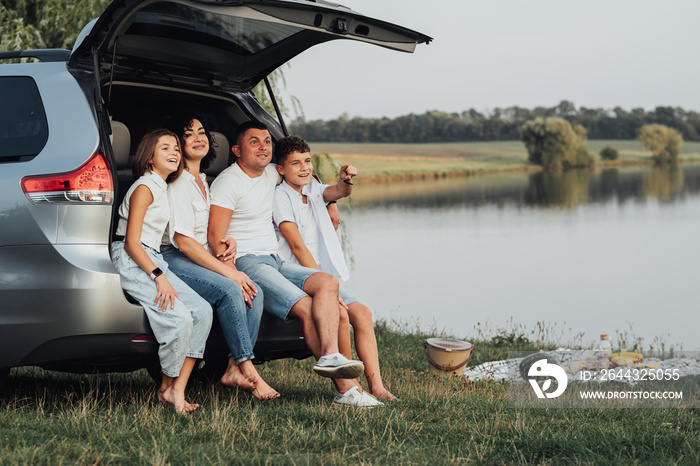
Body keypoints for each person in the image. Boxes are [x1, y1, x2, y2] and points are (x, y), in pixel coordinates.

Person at [208, 121, 382, 407]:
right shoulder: (229, 182)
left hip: (274, 260)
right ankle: (346, 390)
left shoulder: (269, 174)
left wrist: (330, 202)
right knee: (307, 307)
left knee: (328, 282)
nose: (264, 146)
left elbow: (304, 177)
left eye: (267, 141)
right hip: (249, 262)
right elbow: (215, 237)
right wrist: (233, 274)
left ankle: (329, 355)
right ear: (237, 150)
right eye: (254, 141)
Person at [161, 116, 279, 400]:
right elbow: (186, 243)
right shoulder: (178, 183)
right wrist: (230, 272)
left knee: (255, 291)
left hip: (197, 254)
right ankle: (246, 367)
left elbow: (206, 233)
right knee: (231, 288)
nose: (199, 137)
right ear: (179, 144)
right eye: (189, 134)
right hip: (173, 256)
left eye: (202, 132)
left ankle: (233, 368)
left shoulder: (201, 179)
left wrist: (228, 242)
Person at [273, 136, 395, 401]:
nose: (304, 167)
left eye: (307, 161)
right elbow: (296, 246)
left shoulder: (313, 190)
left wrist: (346, 180)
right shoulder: (281, 196)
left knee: (361, 313)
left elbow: (339, 192)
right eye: (295, 163)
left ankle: (377, 386)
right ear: (281, 169)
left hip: (321, 275)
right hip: (297, 274)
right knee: (340, 313)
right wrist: (323, 280)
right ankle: (352, 387)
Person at [110, 129, 212, 414]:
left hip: (153, 256)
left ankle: (175, 387)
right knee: (179, 319)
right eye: (165, 148)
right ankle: (167, 387)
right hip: (133, 258)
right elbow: (131, 243)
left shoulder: (165, 187)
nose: (174, 153)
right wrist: (159, 276)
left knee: (202, 311)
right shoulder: (144, 187)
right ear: (149, 158)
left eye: (176, 149)